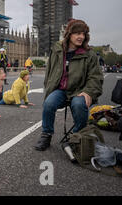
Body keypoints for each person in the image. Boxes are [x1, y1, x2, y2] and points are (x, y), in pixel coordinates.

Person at [34, 19, 103, 151]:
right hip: (60, 90)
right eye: (77, 33)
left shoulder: (90, 55)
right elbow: (49, 71)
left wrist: (88, 91)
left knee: (78, 104)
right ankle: (46, 134)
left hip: (79, 90)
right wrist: (49, 87)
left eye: (83, 34)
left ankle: (76, 136)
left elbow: (95, 77)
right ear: (69, 35)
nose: (81, 37)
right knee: (49, 103)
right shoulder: (57, 50)